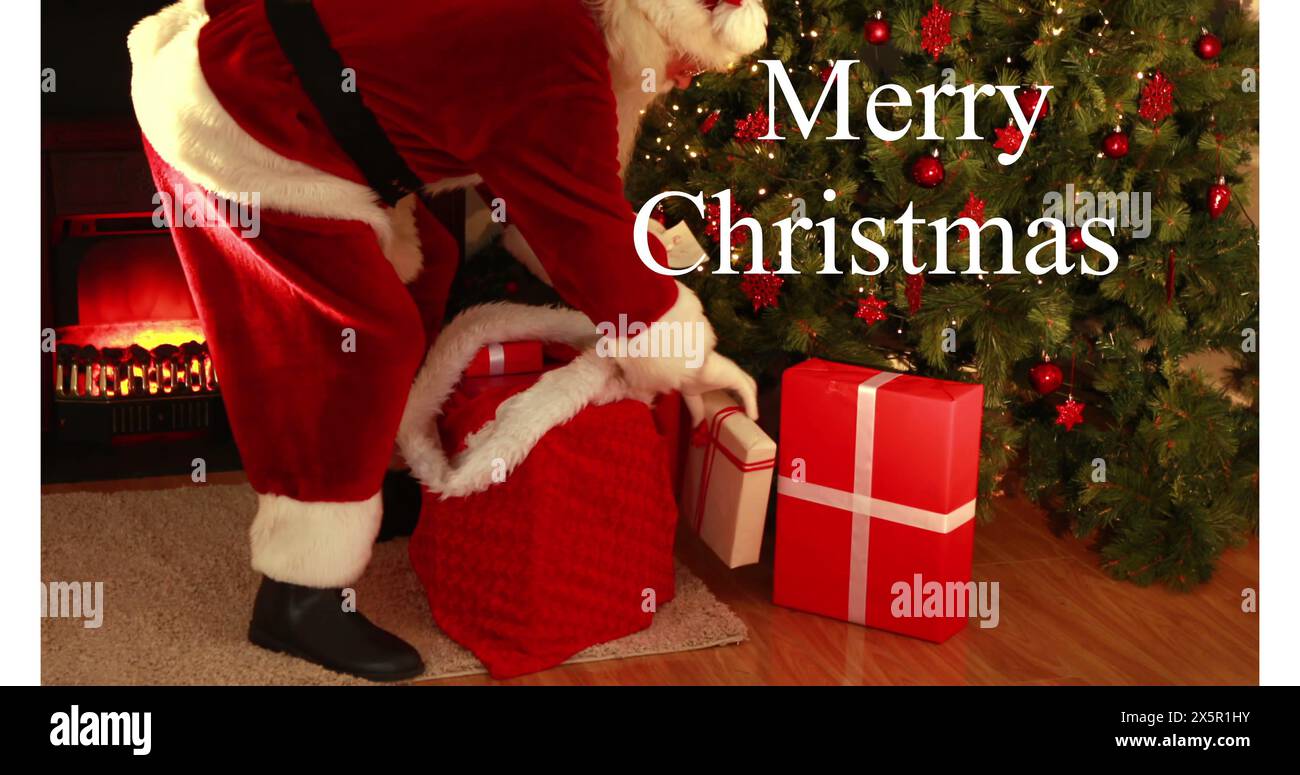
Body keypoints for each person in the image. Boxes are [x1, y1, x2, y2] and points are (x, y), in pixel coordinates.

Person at [128, 0, 767, 681]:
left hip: (279, 86)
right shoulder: (557, 53)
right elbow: (584, 233)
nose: (686, 80)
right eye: (690, 60)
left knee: (427, 265)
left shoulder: (560, 33)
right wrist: (691, 360)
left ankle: (376, 480)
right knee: (364, 335)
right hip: (240, 116)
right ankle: (297, 595)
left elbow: (543, 203)